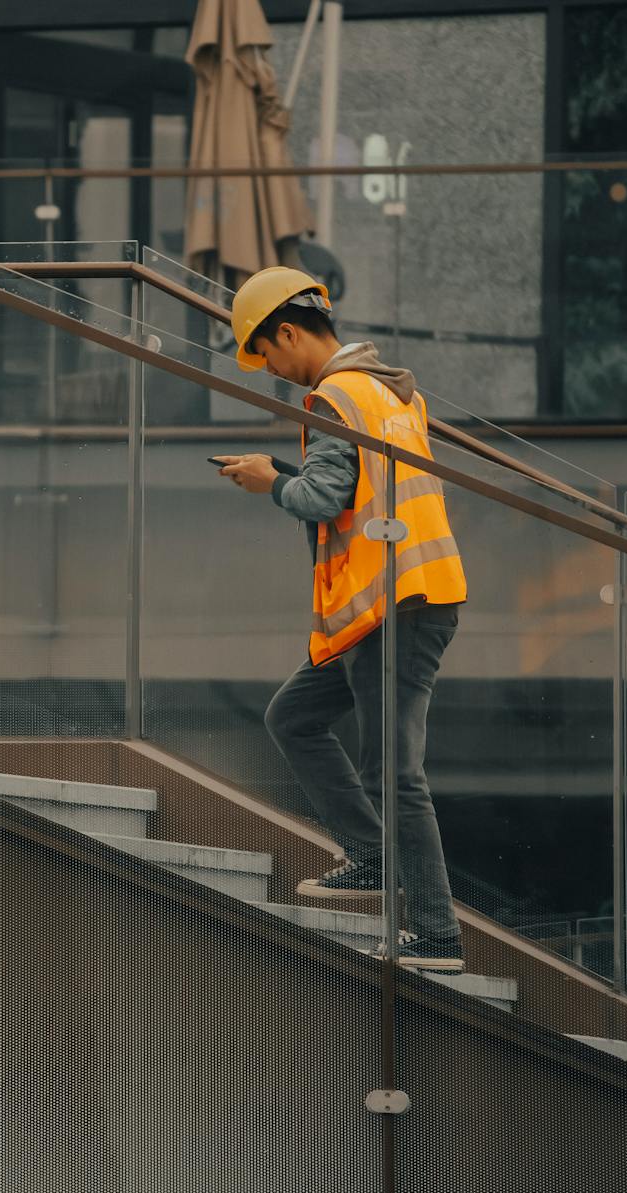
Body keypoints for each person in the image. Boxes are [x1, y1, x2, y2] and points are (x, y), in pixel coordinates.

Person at [212, 266, 469, 973]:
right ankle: (370, 854)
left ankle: (438, 933)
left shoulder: (332, 398)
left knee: (395, 773)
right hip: (400, 598)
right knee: (293, 716)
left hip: (394, 604)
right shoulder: (386, 390)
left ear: (287, 332)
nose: (271, 370)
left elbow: (324, 496)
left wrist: (269, 482)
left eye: (266, 353)